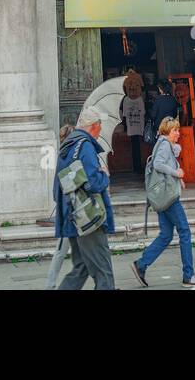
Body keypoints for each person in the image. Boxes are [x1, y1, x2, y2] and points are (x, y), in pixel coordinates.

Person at [131, 116, 195, 289]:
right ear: (167, 131)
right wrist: (176, 173)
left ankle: (141, 265)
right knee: (185, 232)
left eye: (178, 130)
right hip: (169, 199)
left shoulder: (163, 144)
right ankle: (188, 275)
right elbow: (158, 164)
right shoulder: (164, 144)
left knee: (166, 235)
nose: (178, 133)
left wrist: (176, 176)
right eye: (175, 130)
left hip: (162, 198)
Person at [53, 106, 115, 290]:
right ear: (95, 126)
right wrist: (104, 174)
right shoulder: (85, 146)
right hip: (88, 218)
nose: (101, 130)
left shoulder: (67, 146)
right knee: (103, 270)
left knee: (82, 267)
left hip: (71, 215)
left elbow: (57, 186)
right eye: (100, 126)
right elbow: (93, 183)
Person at [121, 71, 146, 174]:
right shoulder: (140, 99)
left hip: (130, 125)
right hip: (139, 124)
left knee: (134, 145)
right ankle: (139, 166)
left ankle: (136, 167)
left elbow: (124, 114)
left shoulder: (126, 99)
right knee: (139, 145)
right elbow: (143, 112)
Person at [148, 79, 179, 144]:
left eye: (159, 88)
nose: (159, 89)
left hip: (160, 129)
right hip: (170, 128)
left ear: (161, 89)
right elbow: (175, 114)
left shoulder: (158, 100)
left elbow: (153, 115)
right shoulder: (173, 99)